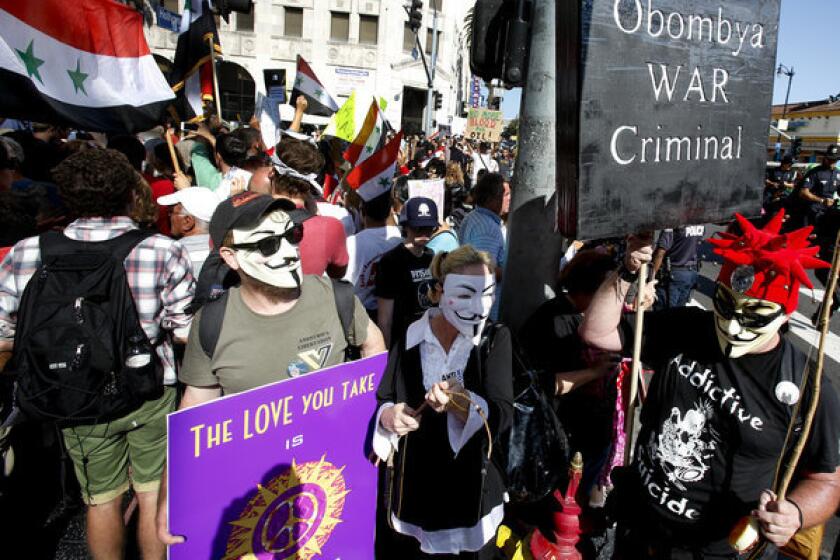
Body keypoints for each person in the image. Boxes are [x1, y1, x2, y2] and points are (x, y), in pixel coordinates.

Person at [579, 212, 840, 559]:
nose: (733, 327)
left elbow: (827, 480)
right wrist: (627, 270)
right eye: (726, 305)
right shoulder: (688, 326)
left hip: (718, 550)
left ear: (786, 313)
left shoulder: (806, 385)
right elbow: (596, 333)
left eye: (754, 315)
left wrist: (795, 513)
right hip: (640, 527)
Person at [157, 192, 385, 544]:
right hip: (252, 496)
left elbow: (373, 345)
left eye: (292, 236)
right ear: (230, 257)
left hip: (333, 478)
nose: (287, 251)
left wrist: (371, 421)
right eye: (266, 245)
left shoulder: (334, 297)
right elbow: (194, 409)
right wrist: (171, 496)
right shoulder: (213, 322)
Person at [0, 149, 195, 560]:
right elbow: (184, 331)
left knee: (100, 498)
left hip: (73, 393)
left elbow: (5, 333)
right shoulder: (161, 249)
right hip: (148, 387)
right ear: (129, 191)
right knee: (152, 494)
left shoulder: (28, 252)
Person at [373, 245, 513, 558]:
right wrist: (389, 416)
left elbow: (503, 414)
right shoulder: (411, 334)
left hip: (471, 494)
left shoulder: (494, 339)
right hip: (415, 493)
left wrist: (463, 403)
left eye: (487, 293)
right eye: (465, 295)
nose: (478, 307)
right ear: (438, 292)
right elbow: (385, 397)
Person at [375, 197, 438, 348]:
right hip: (402, 343)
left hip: (428, 341)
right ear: (406, 226)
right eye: (418, 227)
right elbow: (385, 319)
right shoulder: (391, 261)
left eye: (429, 227)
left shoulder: (431, 256)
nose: (424, 232)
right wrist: (386, 356)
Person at [345, 189, 403, 318]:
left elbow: (343, 285)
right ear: (391, 211)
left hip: (362, 316)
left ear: (362, 212)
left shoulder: (351, 244)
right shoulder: (401, 239)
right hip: (395, 314)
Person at [459, 173, 508, 319]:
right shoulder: (487, 228)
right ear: (492, 199)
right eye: (506, 194)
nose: (510, 199)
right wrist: (514, 273)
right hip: (484, 312)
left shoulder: (473, 217)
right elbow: (484, 271)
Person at [157, 187, 220, 275]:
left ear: (187, 221)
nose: (169, 216)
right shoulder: (227, 252)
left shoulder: (169, 254)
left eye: (171, 212)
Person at [650, 225, 705, 310]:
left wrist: (651, 278)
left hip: (673, 274)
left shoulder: (674, 222)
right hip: (690, 273)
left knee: (663, 308)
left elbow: (660, 253)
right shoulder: (700, 222)